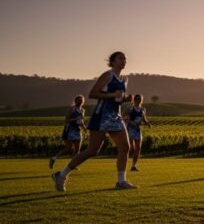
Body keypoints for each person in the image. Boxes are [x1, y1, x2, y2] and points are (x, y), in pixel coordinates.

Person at [51, 51, 138, 191]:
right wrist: (112, 95)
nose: (124, 61)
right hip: (101, 116)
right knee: (92, 150)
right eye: (120, 58)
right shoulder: (108, 75)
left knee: (125, 147)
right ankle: (61, 174)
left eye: (125, 59)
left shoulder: (124, 79)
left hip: (116, 116)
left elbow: (117, 99)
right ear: (113, 61)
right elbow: (92, 94)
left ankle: (121, 181)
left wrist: (126, 98)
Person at [49, 95, 87, 170]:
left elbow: (81, 121)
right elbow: (66, 120)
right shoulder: (71, 109)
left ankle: (73, 165)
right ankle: (54, 158)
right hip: (69, 130)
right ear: (75, 101)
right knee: (68, 149)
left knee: (77, 150)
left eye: (81, 100)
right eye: (78, 100)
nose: (80, 102)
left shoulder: (82, 110)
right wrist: (74, 119)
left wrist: (84, 128)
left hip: (77, 130)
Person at [124, 93, 151, 171]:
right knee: (131, 148)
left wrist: (147, 123)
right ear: (134, 100)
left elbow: (144, 119)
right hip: (130, 129)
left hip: (137, 130)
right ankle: (123, 163)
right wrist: (131, 122)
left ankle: (133, 166)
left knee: (138, 148)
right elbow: (124, 118)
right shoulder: (130, 109)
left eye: (140, 99)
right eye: (137, 99)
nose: (138, 101)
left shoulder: (143, 109)